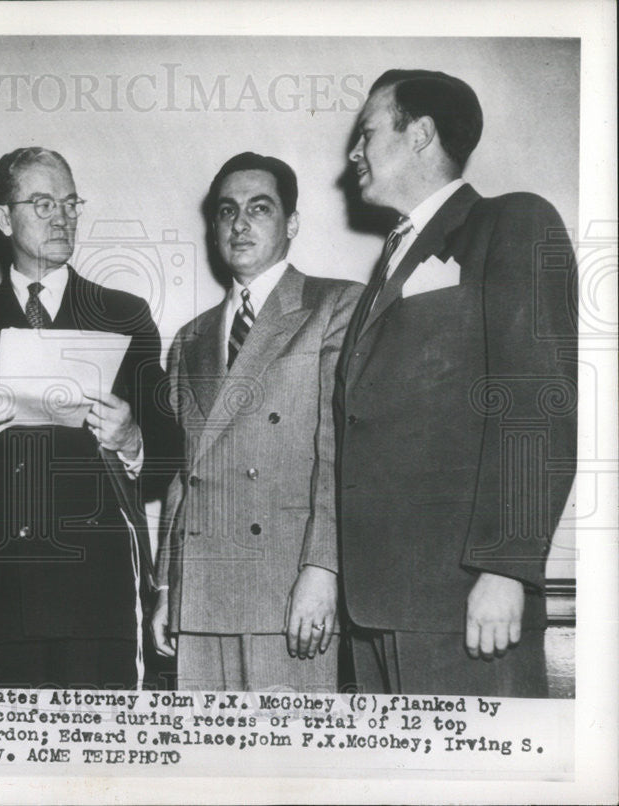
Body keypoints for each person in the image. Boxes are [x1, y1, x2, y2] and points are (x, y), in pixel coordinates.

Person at [335, 69, 577, 696]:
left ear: (420, 135)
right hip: (376, 608)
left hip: (462, 602)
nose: (353, 154)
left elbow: (537, 405)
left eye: (366, 134)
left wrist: (505, 568)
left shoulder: (511, 222)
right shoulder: (391, 257)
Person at [0, 147, 180, 689]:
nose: (61, 216)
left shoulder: (125, 316)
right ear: (2, 218)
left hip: (98, 600)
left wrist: (133, 439)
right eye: (41, 203)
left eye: (69, 202)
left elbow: (169, 456)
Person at [150, 152, 362, 691]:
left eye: (259, 208)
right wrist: (167, 589)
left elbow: (340, 455)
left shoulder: (335, 305)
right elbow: (183, 476)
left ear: (291, 223)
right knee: (209, 766)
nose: (239, 224)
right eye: (226, 211)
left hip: (288, 590)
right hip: (200, 595)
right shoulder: (190, 338)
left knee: (289, 764)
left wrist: (324, 571)